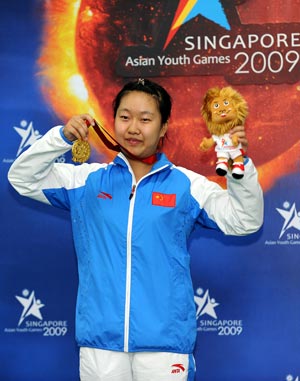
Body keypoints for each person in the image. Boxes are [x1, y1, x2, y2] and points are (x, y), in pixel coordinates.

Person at [8, 78, 263, 381]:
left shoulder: (186, 185)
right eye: (125, 117)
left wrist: (240, 168)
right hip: (101, 345)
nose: (133, 128)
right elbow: (22, 179)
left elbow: (245, 220)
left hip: (165, 345)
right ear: (112, 119)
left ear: (164, 126)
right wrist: (60, 139)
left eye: (145, 119)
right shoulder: (87, 181)